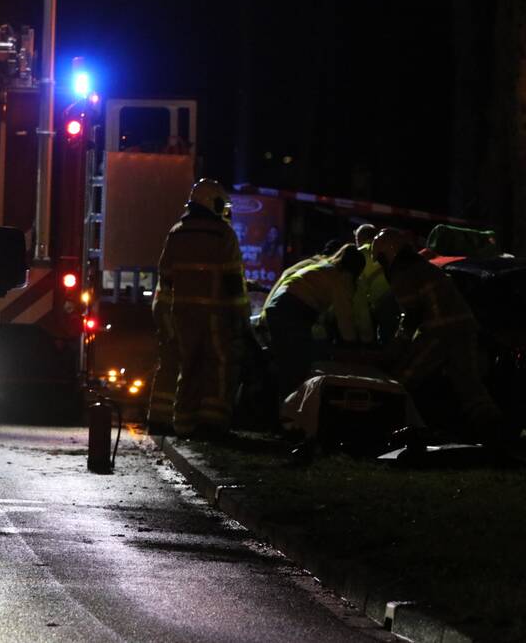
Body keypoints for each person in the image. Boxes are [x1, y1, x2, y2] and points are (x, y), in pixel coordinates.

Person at [371, 228, 504, 446]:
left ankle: (392, 430)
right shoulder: (422, 266)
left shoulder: (402, 273)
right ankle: (493, 431)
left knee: (404, 378)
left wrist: (396, 348)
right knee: (469, 384)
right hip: (464, 327)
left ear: (387, 254)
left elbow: (411, 315)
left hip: (438, 331)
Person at [157, 178, 250, 438]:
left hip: (182, 313)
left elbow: (165, 275)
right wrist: (241, 315)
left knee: (188, 367)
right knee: (219, 365)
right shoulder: (223, 234)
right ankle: (212, 422)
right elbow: (233, 280)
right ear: (213, 202)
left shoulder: (177, 232)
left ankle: (183, 423)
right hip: (214, 313)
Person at [261, 243, 365, 401]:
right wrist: (352, 345)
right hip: (291, 311)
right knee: (297, 366)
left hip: (279, 306)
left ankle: (277, 408)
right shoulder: (340, 277)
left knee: (287, 363)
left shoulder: (323, 267)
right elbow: (345, 316)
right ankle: (287, 412)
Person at [146, 278, 177, 435]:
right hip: (172, 331)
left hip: (171, 329)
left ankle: (160, 419)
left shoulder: (167, 277)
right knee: (170, 372)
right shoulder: (169, 284)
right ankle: (161, 420)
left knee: (168, 373)